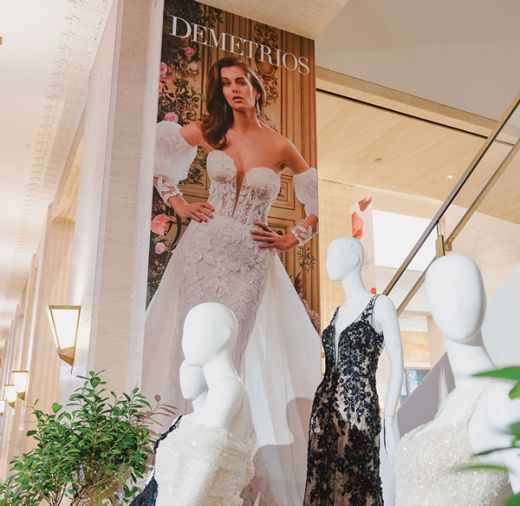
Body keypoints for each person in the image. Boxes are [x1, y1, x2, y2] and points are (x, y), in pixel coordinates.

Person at [143, 56, 321, 504]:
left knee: (230, 355)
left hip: (249, 259)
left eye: (241, 82)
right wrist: (180, 203)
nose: (234, 90)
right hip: (202, 251)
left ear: (256, 89)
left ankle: (217, 461)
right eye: (225, 84)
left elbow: (318, 199)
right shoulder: (211, 131)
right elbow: (154, 152)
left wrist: (290, 238)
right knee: (188, 348)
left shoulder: (281, 145)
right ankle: (169, 455)